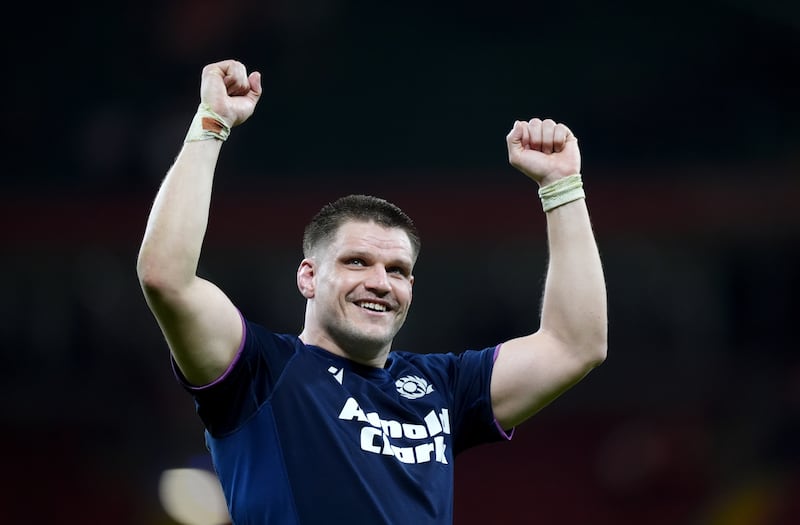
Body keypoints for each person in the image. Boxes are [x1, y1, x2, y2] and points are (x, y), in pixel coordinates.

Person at [137, 59, 607, 525]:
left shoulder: (442, 389)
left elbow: (575, 345)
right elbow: (166, 279)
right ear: (307, 276)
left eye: (398, 270)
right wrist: (211, 124)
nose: (380, 282)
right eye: (357, 262)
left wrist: (562, 188)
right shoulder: (258, 374)